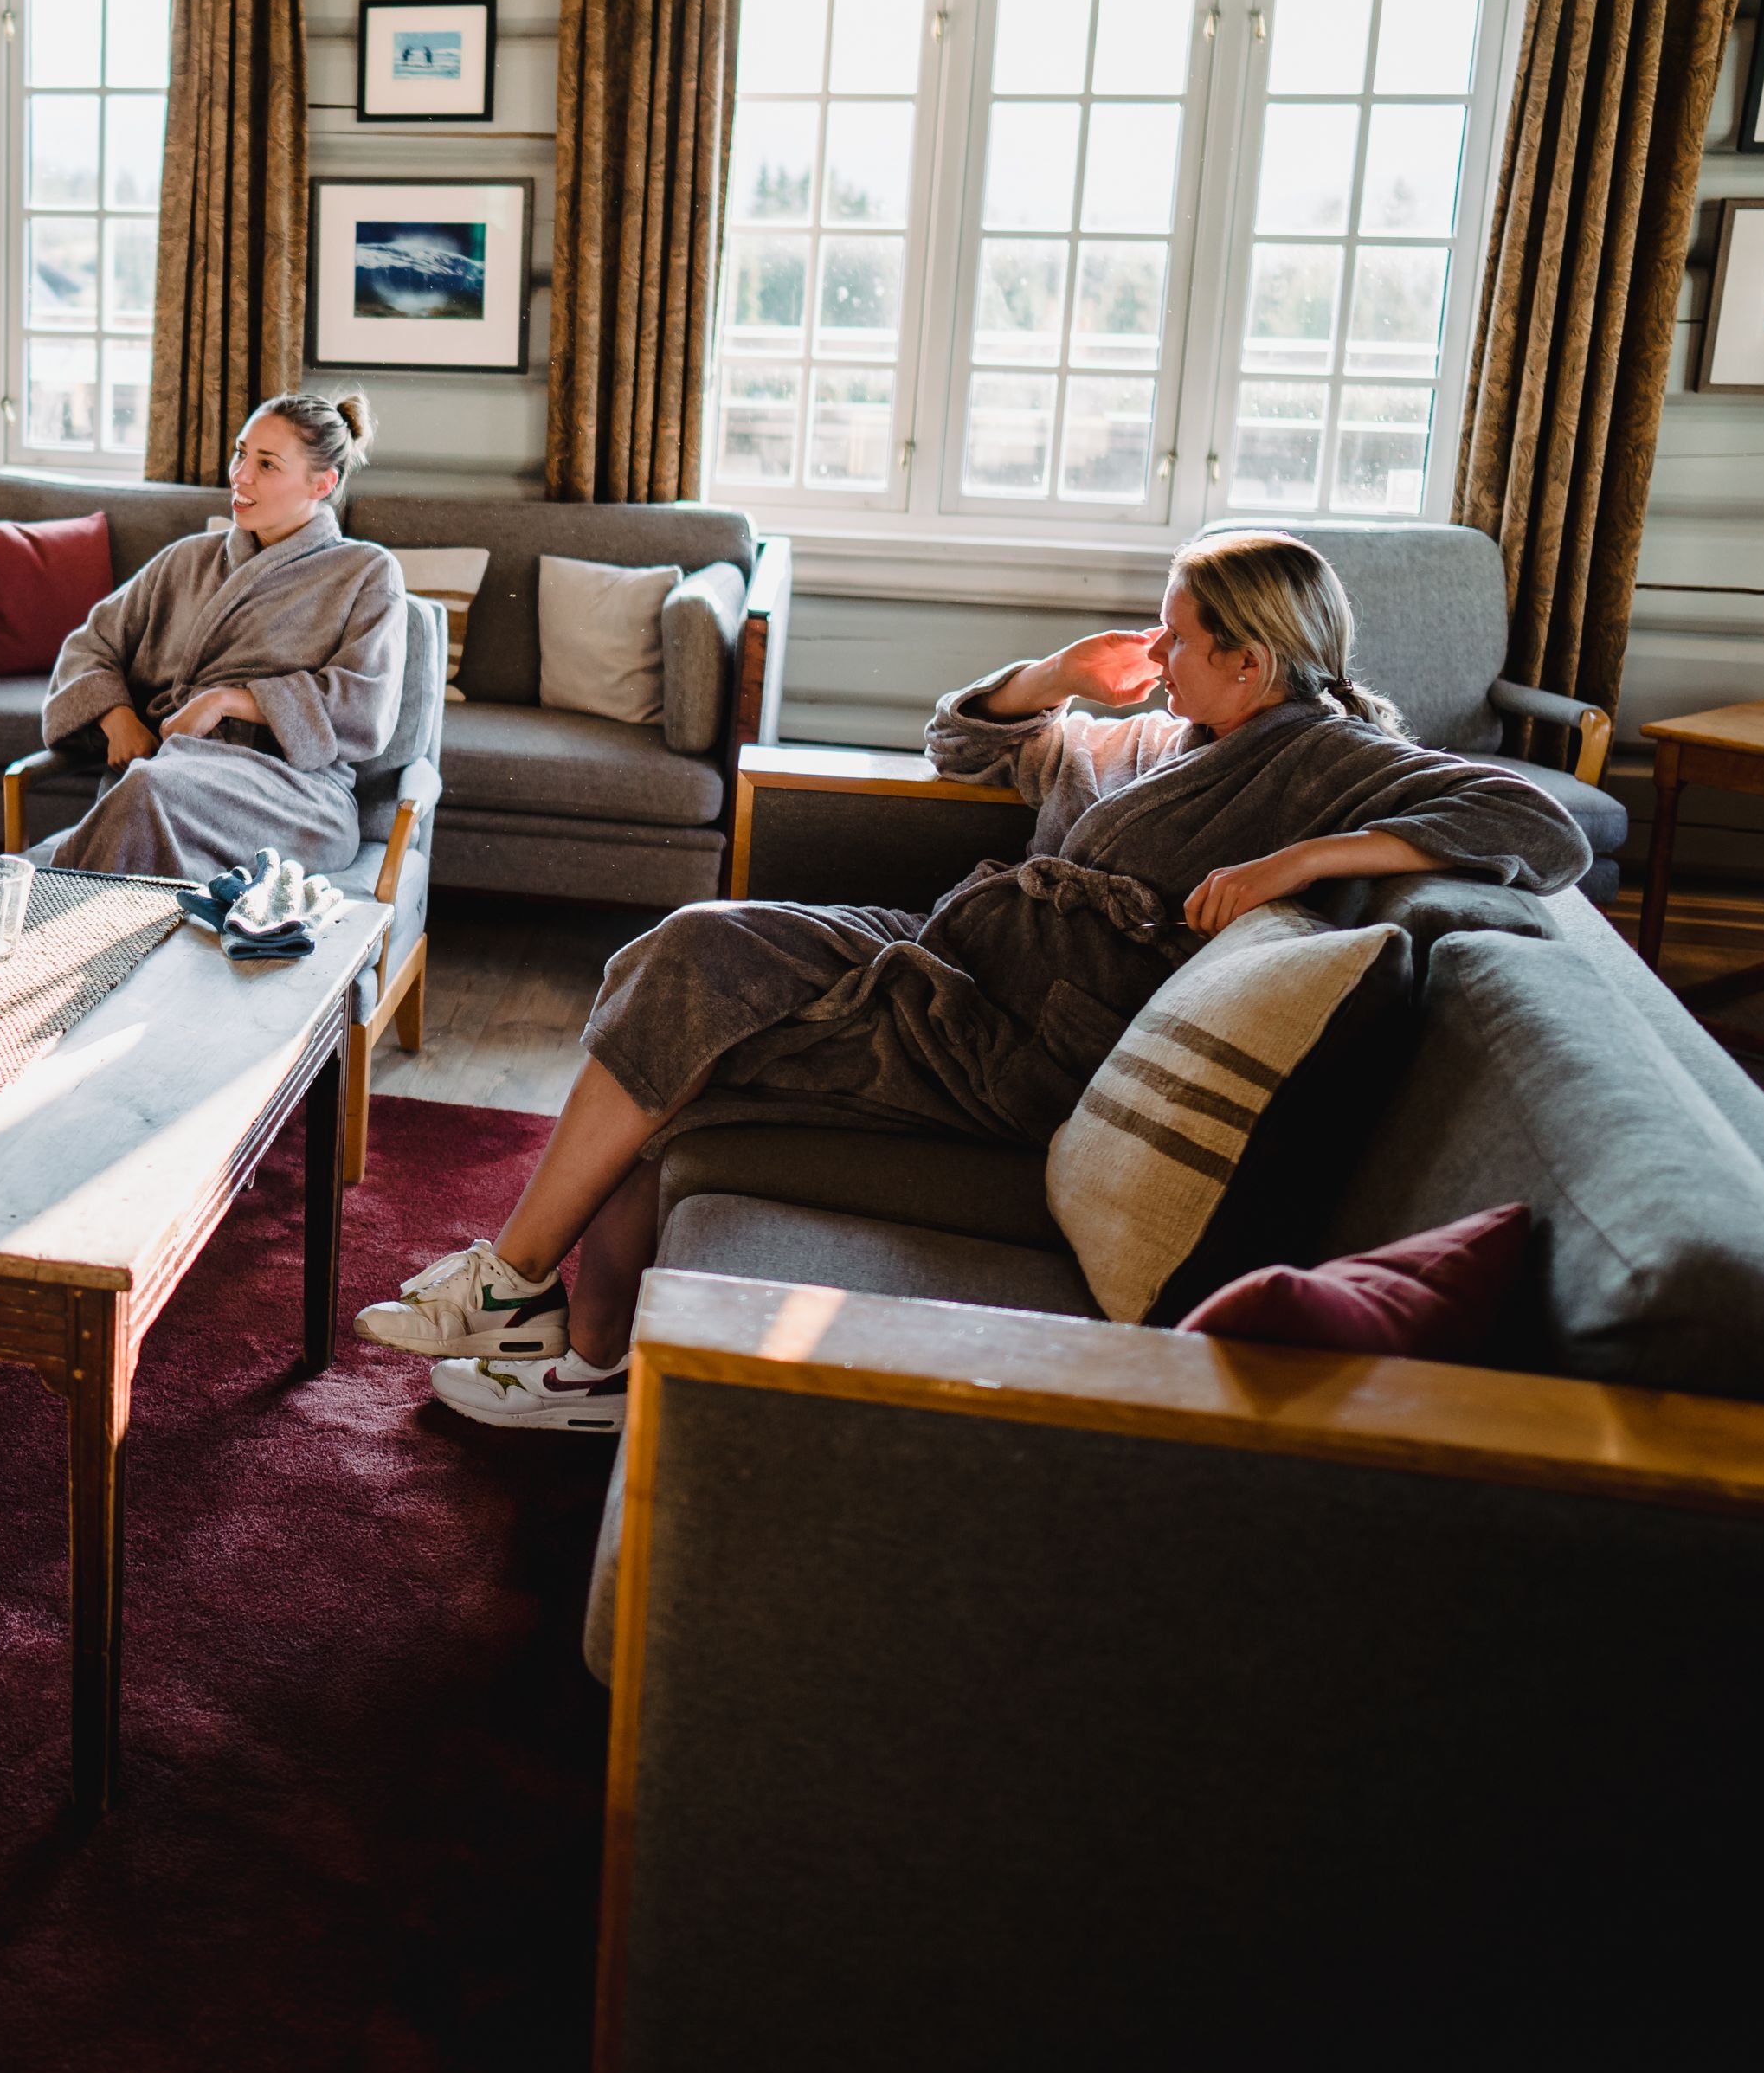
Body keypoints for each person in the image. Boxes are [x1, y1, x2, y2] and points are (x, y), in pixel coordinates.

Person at [354, 530, 1594, 1432]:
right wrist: (1054, 678)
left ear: (1257, 659)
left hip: (1011, 1044)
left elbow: (1546, 828)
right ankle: (566, 1338)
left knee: (687, 994)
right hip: (946, 963)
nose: (1158, 653)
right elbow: (956, 740)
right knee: (683, 958)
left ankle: (537, 1308)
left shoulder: (1327, 760)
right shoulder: (1169, 736)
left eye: (1178, 636)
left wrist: (1308, 855)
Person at [37, 390, 409, 880]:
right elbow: (88, 647)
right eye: (240, 453)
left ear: (323, 483)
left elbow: (364, 708)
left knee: (148, 793)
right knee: (151, 794)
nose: (240, 476)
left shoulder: (366, 572)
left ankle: (49, 919)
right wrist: (117, 717)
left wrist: (226, 701)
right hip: (168, 773)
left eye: (268, 465)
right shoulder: (187, 560)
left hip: (295, 797)